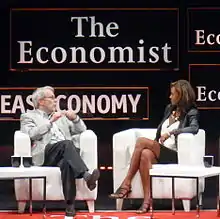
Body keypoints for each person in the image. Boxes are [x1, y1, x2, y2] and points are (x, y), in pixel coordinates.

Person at [109, 79, 199, 213]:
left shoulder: (192, 112)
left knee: (141, 141)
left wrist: (172, 132)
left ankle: (126, 183)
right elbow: (160, 132)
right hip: (160, 150)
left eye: (173, 94)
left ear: (181, 95)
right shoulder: (169, 109)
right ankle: (147, 201)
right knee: (145, 154)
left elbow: (194, 128)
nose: (170, 97)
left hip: (173, 154)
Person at [20, 86, 100, 219]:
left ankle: (70, 207)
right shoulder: (29, 116)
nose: (56, 101)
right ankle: (86, 175)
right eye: (51, 98)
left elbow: (82, 130)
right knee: (67, 144)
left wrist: (75, 118)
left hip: (65, 153)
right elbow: (31, 134)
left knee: (66, 163)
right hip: (46, 153)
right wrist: (50, 122)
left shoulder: (62, 117)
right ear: (41, 101)